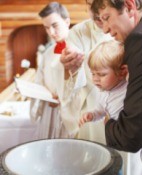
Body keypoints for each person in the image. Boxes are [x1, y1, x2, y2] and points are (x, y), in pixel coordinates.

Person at [90, 0, 142, 174]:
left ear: (129, 7)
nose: (105, 29)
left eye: (107, 18)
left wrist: (108, 122)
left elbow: (130, 136)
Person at [60, 0, 113, 144]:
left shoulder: (122, 26)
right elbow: (73, 82)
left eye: (99, 3)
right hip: (91, 105)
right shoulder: (78, 32)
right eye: (90, 5)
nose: (96, 12)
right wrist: (72, 68)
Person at [30, 2, 70, 139]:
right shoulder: (47, 53)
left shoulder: (79, 49)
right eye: (47, 28)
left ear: (67, 22)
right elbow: (39, 81)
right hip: (49, 112)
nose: (51, 32)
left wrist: (63, 97)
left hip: (70, 114)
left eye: (55, 25)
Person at [79, 40, 128, 128]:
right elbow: (100, 111)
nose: (95, 79)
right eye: (93, 73)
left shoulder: (127, 91)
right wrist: (92, 115)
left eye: (102, 74)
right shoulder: (104, 91)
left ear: (122, 72)